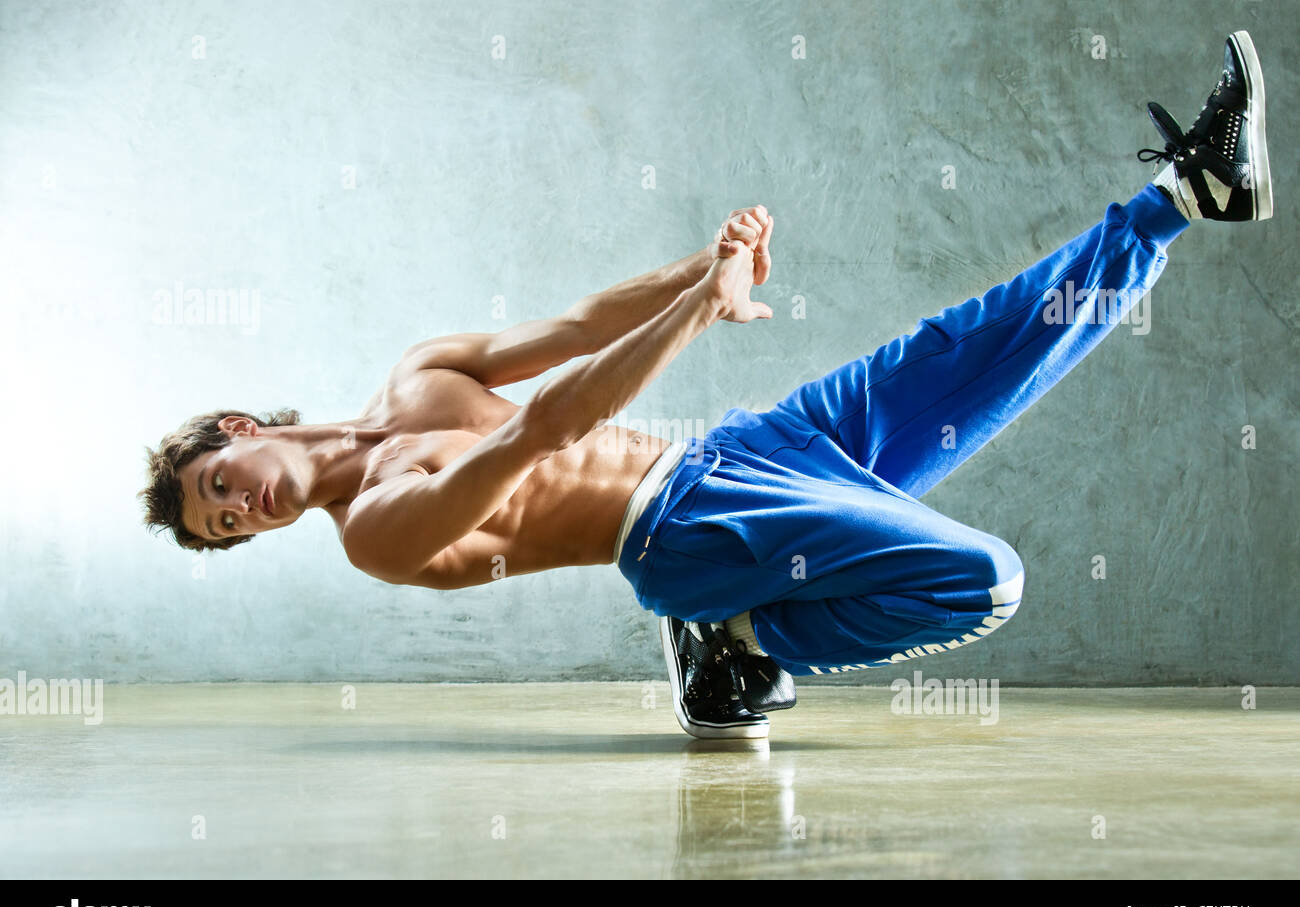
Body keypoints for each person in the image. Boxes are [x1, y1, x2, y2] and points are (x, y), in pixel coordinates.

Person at [141, 31, 1271, 740]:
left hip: (739, 455)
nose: (242, 510)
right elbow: (544, 427)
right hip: (683, 529)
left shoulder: (416, 373)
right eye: (226, 526)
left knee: (968, 350)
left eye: (220, 486)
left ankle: (1184, 194)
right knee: (986, 582)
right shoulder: (376, 535)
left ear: (239, 428)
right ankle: (734, 633)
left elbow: (579, 327)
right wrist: (705, 307)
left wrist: (705, 258)